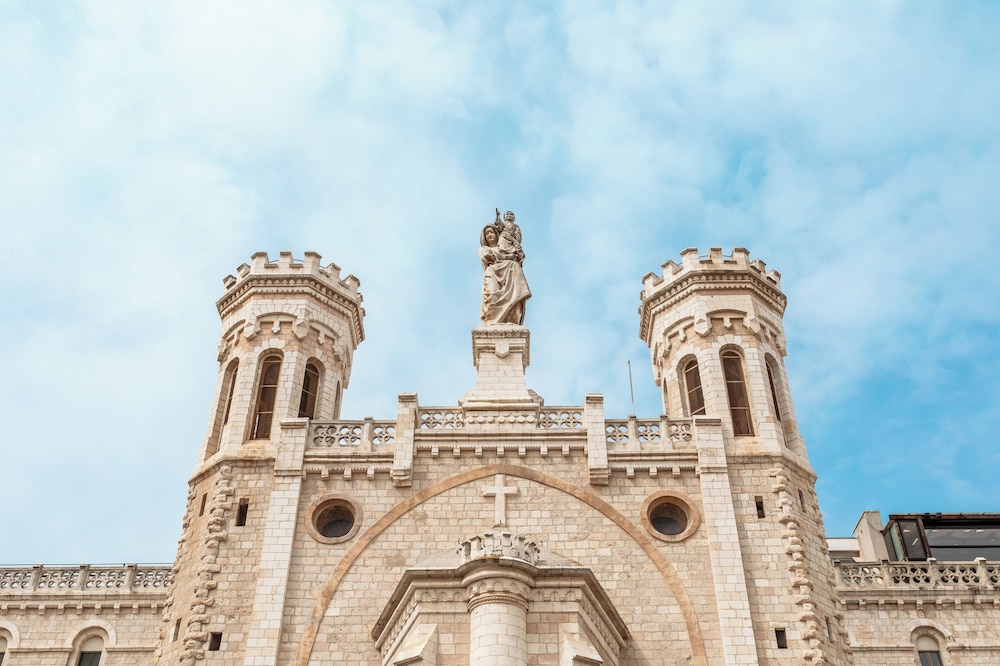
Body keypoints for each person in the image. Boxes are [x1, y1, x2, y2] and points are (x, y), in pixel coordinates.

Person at [479, 218, 530, 325]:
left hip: (508, 271)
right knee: (491, 296)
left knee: (515, 266)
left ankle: (511, 318)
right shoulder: (483, 249)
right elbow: (488, 256)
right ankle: (492, 321)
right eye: (487, 233)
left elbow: (518, 255)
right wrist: (506, 256)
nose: (489, 235)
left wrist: (512, 243)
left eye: (491, 232)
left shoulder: (505, 248)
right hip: (492, 273)